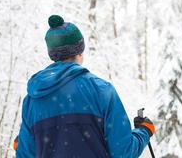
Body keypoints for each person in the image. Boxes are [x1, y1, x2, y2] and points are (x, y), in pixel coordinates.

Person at [15, 15, 155, 158]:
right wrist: (144, 131)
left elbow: (25, 154)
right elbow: (123, 152)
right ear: (80, 52)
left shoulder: (32, 99)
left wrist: (24, 144)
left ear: (53, 55)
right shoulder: (102, 91)